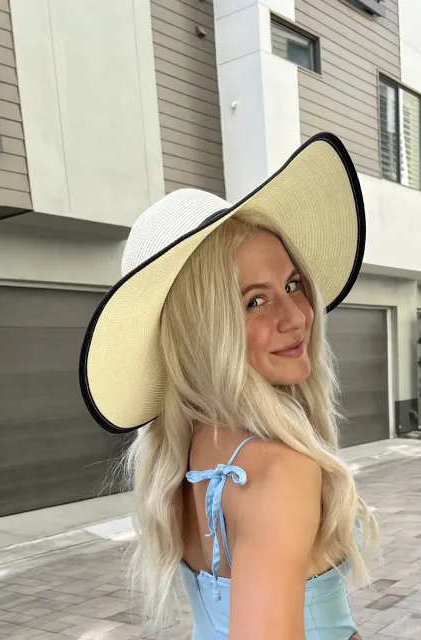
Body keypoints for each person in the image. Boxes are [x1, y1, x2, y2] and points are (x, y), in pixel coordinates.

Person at [79, 133, 378, 639]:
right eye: (254, 301)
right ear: (204, 329)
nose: (297, 316)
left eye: (291, 285)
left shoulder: (191, 449)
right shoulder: (279, 468)